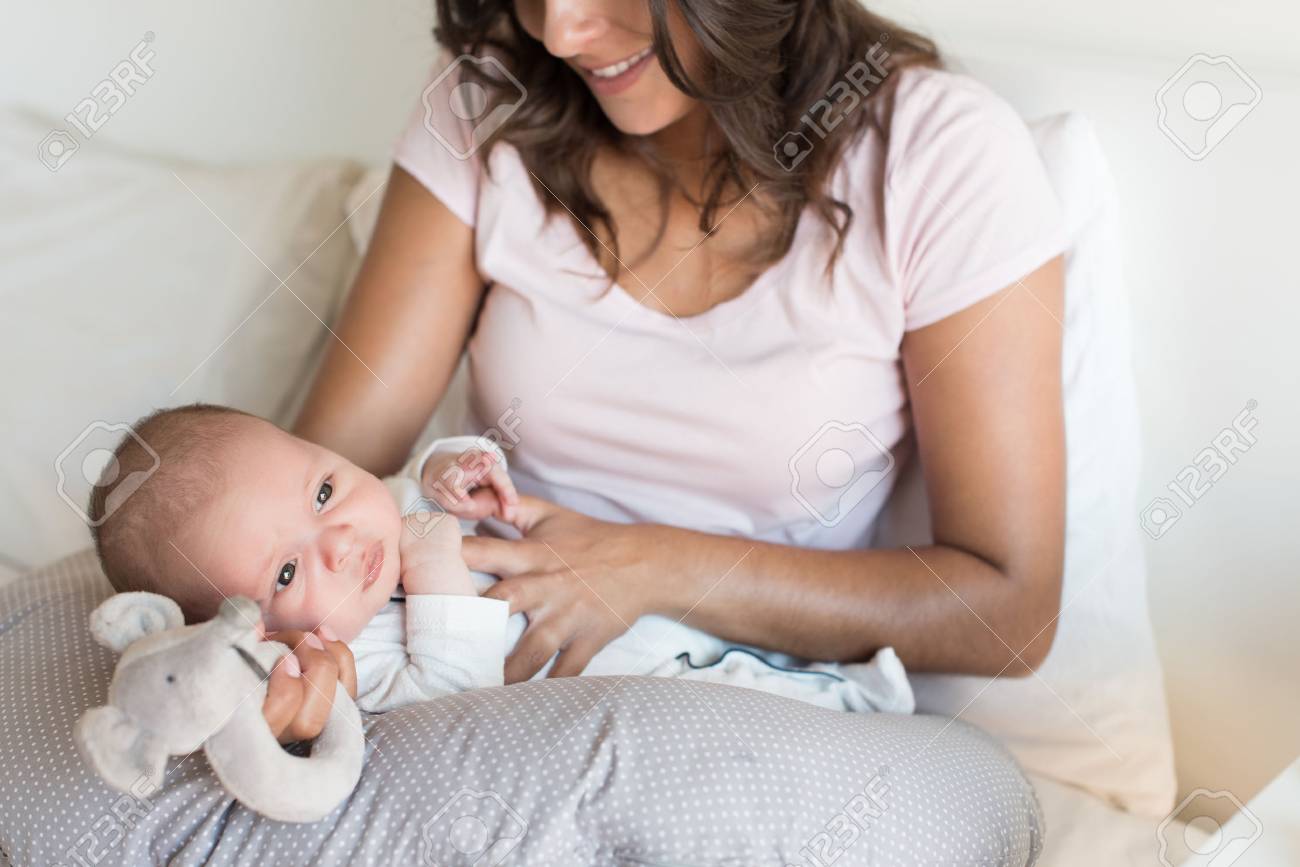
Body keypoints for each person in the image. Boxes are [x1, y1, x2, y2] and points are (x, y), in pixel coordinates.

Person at [286, 0, 1067, 737]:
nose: (560, 32)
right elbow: (313, 482)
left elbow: (1008, 607)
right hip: (470, 672)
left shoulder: (937, 153)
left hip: (743, 703)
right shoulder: (494, 94)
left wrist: (651, 566)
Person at [89, 404, 912, 717]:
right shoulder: (353, 661)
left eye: (323, 489)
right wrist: (433, 565)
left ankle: (842, 678)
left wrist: (453, 468)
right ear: (258, 632)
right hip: (617, 679)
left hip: (637, 606)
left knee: (718, 638)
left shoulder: (382, 507)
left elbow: (418, 474)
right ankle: (855, 702)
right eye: (286, 572)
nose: (339, 538)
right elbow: (457, 693)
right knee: (734, 691)